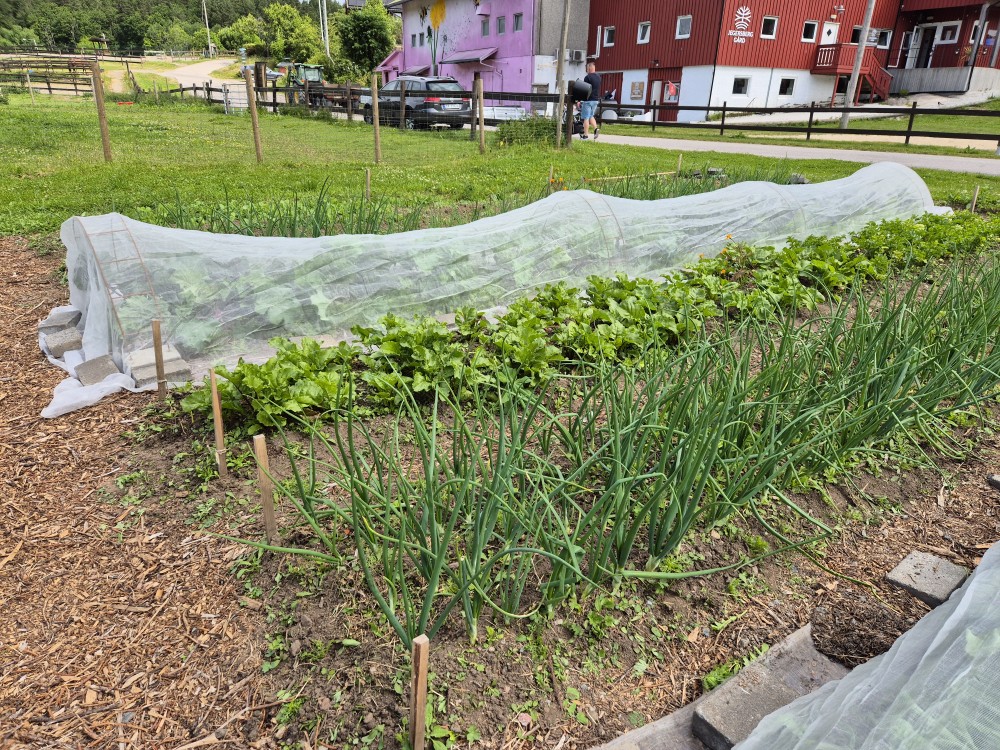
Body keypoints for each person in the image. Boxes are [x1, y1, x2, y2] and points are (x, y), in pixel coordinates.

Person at [580, 62, 601, 140]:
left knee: (586, 118)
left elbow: (585, 89)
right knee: (591, 115)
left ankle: (585, 135)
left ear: (589, 68)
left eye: (587, 68)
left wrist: (580, 99)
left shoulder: (587, 77)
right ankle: (596, 129)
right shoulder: (599, 77)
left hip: (588, 100)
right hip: (596, 100)